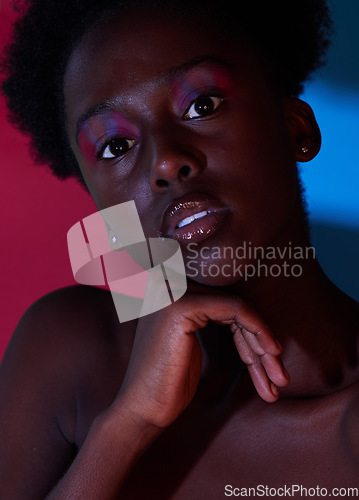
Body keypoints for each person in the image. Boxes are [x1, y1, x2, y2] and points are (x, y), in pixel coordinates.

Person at [1, 0, 358, 498]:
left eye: (202, 105)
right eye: (115, 146)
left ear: (297, 126)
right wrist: (128, 424)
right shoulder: (70, 350)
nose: (166, 161)